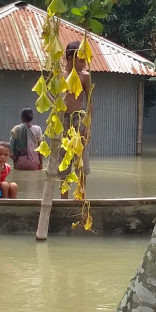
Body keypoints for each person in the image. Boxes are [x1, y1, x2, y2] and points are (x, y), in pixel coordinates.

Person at [52, 40, 93, 199]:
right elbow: (52, 96)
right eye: (81, 60)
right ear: (70, 57)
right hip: (62, 119)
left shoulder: (85, 76)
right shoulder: (59, 75)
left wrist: (88, 126)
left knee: (80, 157)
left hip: (79, 118)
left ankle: (81, 198)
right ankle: (64, 200)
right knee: (63, 158)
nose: (84, 63)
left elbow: (90, 102)